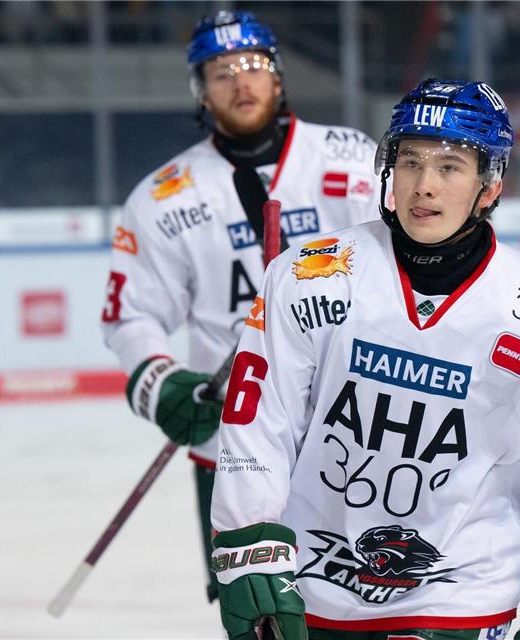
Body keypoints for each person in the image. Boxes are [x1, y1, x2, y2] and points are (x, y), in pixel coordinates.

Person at [209, 78, 520, 640]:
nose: (424, 186)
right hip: (313, 588)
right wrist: (249, 538)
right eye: (409, 162)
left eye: (450, 167)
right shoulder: (312, 275)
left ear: (489, 184)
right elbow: (259, 421)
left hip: (460, 598)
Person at [100, 10, 379, 603]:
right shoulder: (162, 197)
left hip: (358, 428)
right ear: (200, 92)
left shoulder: (352, 160)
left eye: (252, 65)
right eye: (220, 71)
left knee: (371, 604)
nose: (240, 81)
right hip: (235, 441)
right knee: (258, 610)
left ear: (277, 77)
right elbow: (131, 314)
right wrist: (160, 380)